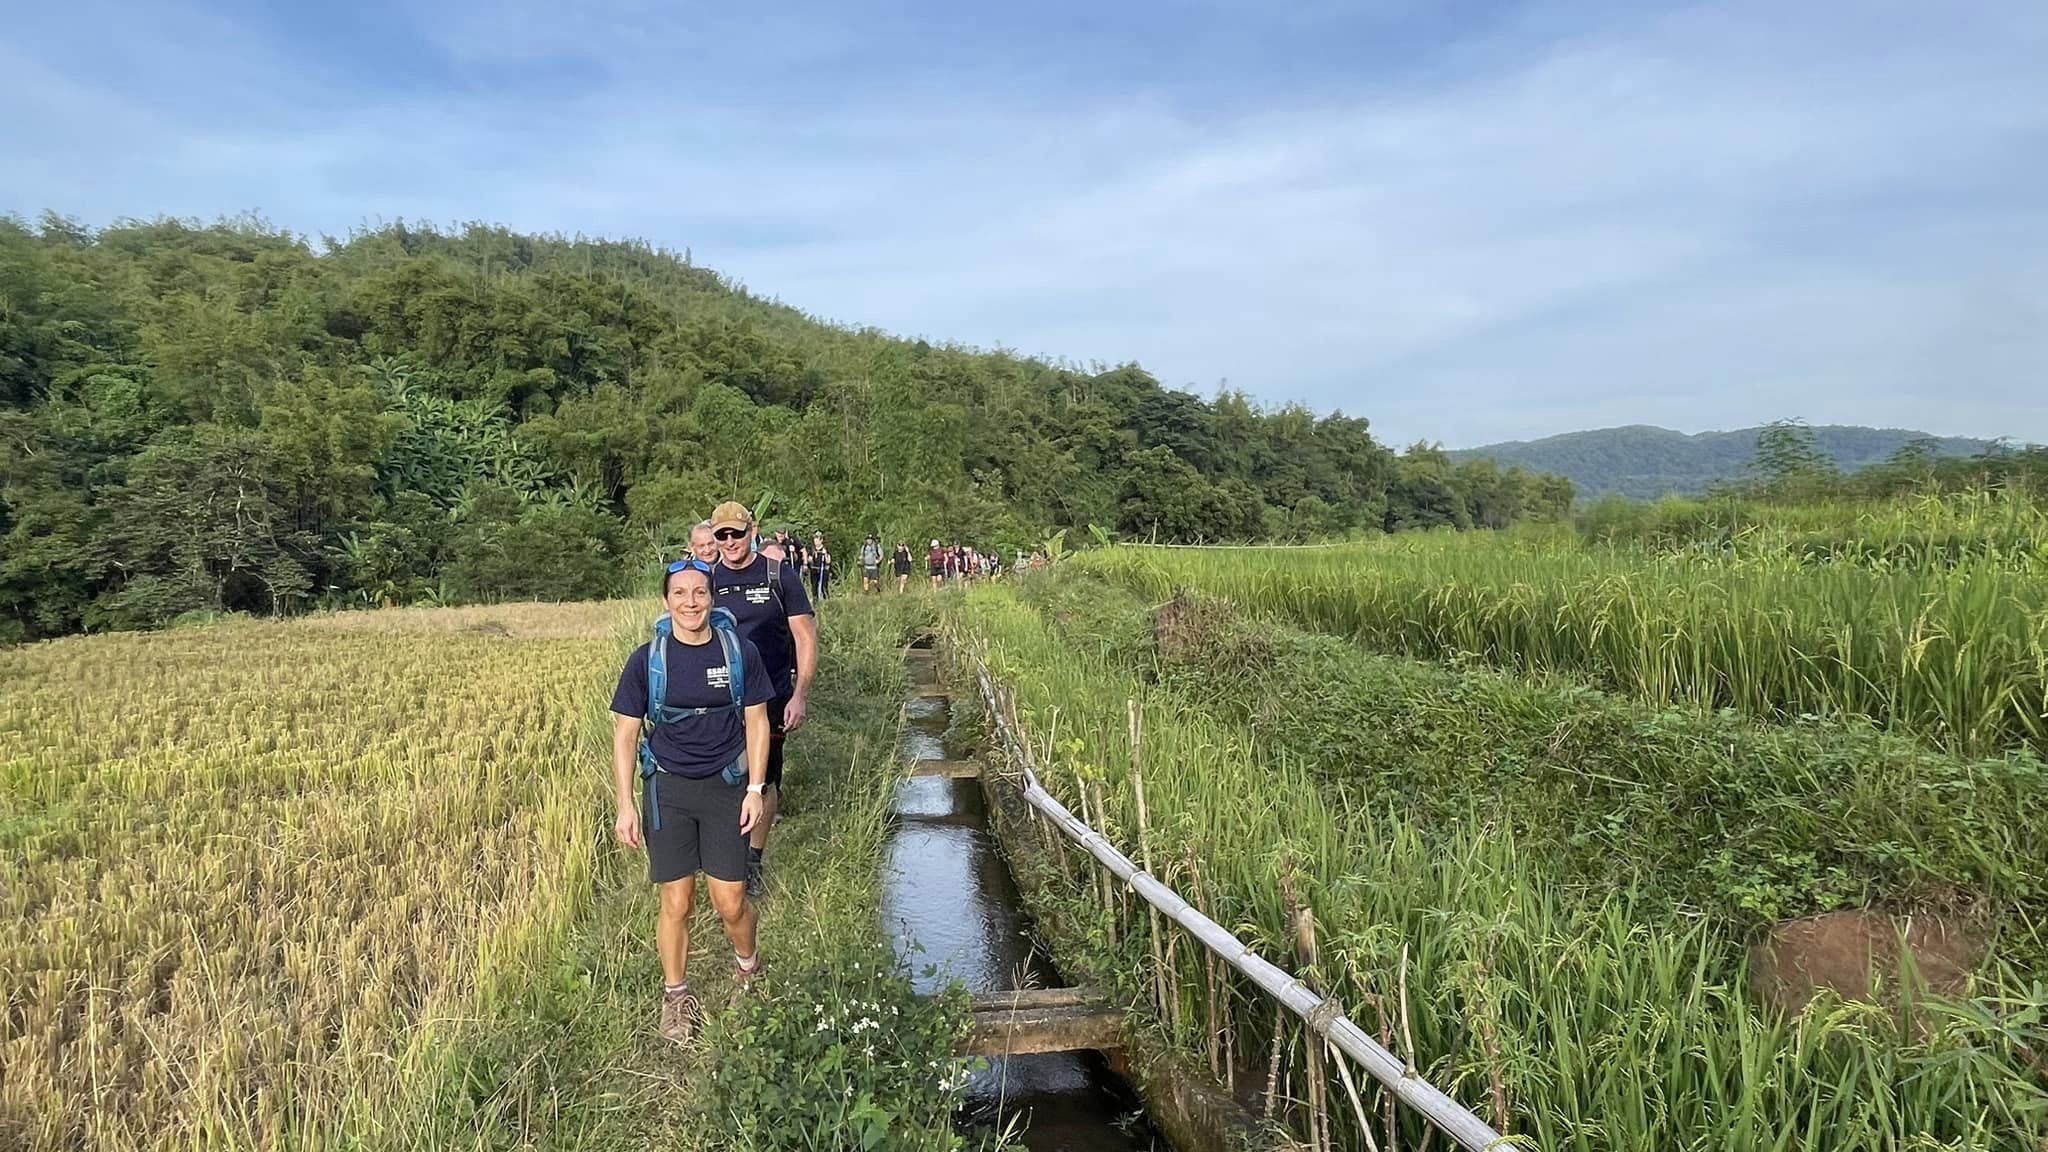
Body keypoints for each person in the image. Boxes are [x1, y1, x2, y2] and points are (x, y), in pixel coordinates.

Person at [610, 558, 775, 1046]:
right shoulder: (647, 659)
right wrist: (625, 803)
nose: (690, 603)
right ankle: (676, 996)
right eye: (680, 594)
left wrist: (755, 789)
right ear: (666, 601)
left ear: (713, 597)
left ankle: (749, 969)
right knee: (676, 901)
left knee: (730, 903)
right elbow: (625, 734)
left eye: (699, 593)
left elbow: (758, 722)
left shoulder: (739, 652)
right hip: (668, 790)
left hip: (726, 786)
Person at [707, 501, 817, 898]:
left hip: (770, 694)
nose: (731, 541)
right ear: (714, 538)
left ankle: (752, 859)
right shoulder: (706, 579)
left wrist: (800, 694)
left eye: (738, 533)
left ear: (752, 531)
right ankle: (722, 854)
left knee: (764, 779)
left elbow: (805, 635)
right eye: (723, 535)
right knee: (719, 778)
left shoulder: (778, 576)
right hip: (717, 698)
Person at [810, 533, 833, 601]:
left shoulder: (825, 549)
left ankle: (827, 600)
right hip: (814, 569)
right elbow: (809, 559)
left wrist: (825, 554)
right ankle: (815, 600)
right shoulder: (812, 549)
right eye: (815, 540)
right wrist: (810, 560)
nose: (815, 542)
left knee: (824, 586)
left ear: (821, 540)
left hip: (823, 569)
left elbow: (829, 561)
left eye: (817, 540)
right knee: (814, 586)